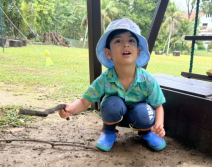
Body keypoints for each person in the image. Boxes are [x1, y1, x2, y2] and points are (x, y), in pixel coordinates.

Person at [59, 18, 166, 152]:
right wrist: (71, 109)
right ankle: (109, 132)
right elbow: (85, 101)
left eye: (131, 40)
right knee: (111, 103)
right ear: (108, 53)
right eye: (118, 41)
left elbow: (158, 106)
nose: (126, 45)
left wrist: (158, 125)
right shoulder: (105, 79)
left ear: (138, 51)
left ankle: (146, 133)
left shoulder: (148, 80)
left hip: (139, 117)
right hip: (114, 115)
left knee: (144, 111)